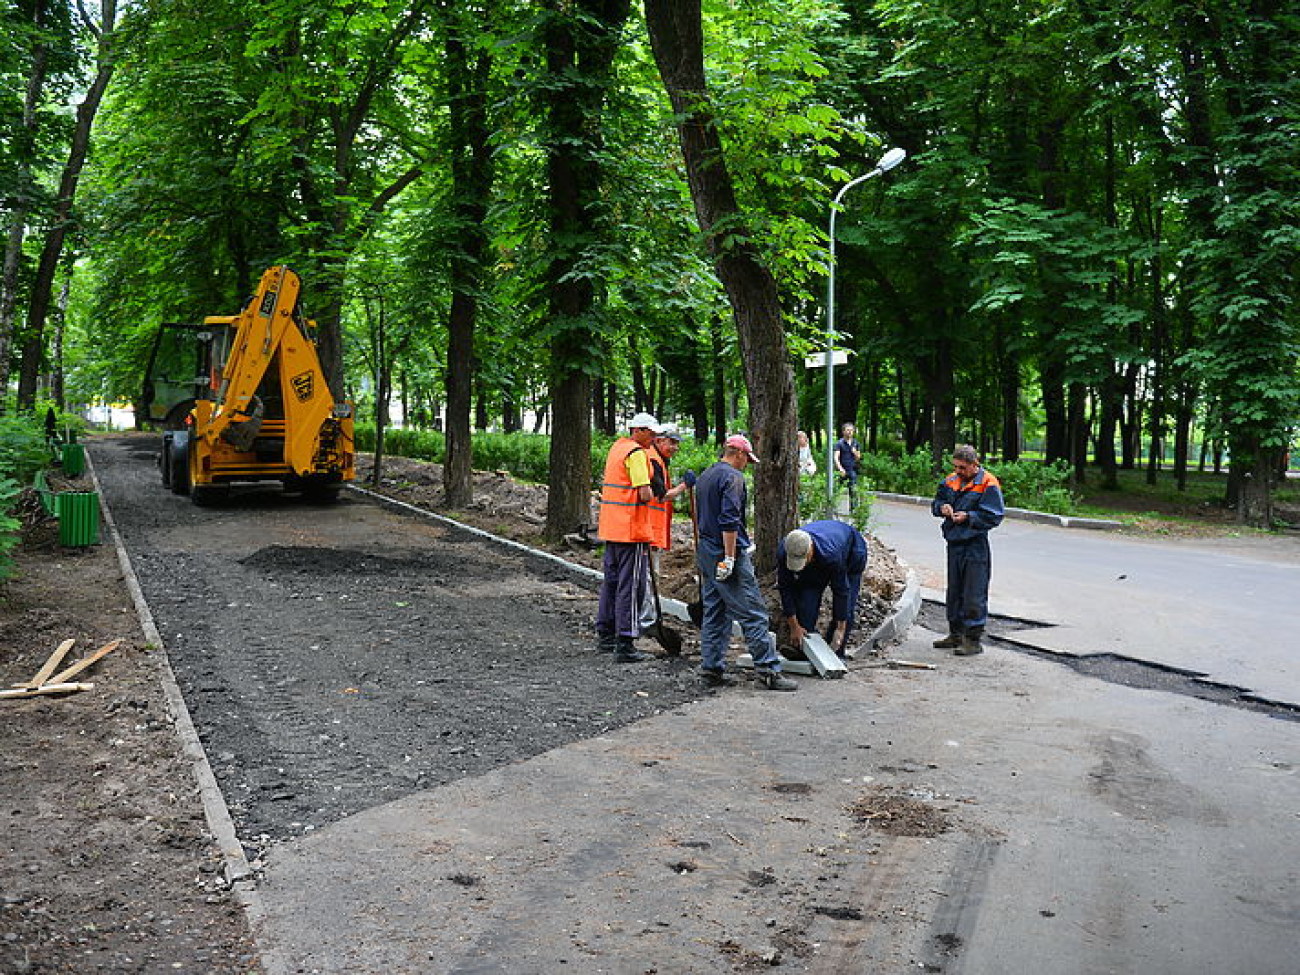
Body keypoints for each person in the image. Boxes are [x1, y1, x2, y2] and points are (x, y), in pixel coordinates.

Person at [693, 434, 797, 691]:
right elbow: (729, 520)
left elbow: (701, 516)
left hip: (706, 550)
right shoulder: (732, 478)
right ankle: (768, 670)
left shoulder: (706, 475)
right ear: (738, 454)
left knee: (715, 610)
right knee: (753, 611)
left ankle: (711, 670)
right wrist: (729, 557)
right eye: (747, 459)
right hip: (726, 552)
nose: (747, 464)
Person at [595, 412, 660, 663]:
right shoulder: (636, 455)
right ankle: (625, 642)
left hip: (612, 528)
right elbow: (643, 494)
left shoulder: (617, 448)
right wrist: (657, 491)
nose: (653, 438)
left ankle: (606, 634)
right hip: (632, 531)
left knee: (611, 582)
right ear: (639, 430)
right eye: (651, 433)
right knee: (630, 587)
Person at [931, 444, 1005, 655]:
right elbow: (937, 502)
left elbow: (994, 515)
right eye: (956, 467)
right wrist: (942, 508)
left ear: (975, 465)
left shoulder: (988, 483)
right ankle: (955, 634)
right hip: (954, 543)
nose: (958, 472)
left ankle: (972, 640)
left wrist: (969, 517)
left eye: (962, 468)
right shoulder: (950, 480)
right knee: (954, 591)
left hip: (975, 544)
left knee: (974, 592)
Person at [776, 520, 869, 658]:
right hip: (819, 558)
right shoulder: (785, 550)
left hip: (852, 552)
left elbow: (841, 591)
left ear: (810, 551)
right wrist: (794, 626)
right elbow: (785, 587)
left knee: (846, 609)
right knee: (806, 603)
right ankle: (804, 650)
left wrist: (840, 628)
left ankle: (836, 653)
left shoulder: (832, 554)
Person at [639, 423, 695, 634]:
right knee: (647, 575)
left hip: (652, 529)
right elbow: (661, 496)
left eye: (677, 444)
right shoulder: (653, 460)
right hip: (648, 529)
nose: (675, 447)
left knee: (649, 573)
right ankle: (646, 619)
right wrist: (684, 487)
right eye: (672, 442)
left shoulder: (658, 459)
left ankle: (647, 615)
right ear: (659, 440)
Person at [834, 423, 862, 507]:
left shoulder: (855, 443)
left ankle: (854, 510)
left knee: (853, 490)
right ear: (843, 431)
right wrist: (840, 469)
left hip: (852, 470)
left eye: (851, 430)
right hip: (842, 470)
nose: (850, 432)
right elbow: (836, 457)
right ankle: (832, 508)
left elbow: (858, 458)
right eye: (848, 430)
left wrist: (855, 453)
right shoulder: (839, 443)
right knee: (836, 490)